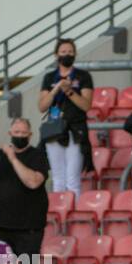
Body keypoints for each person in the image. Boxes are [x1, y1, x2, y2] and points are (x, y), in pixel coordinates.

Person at [0, 117, 50, 258]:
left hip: (29, 229)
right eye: (17, 132)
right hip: (0, 227)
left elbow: (33, 182)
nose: (20, 136)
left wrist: (13, 158)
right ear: (10, 133)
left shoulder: (38, 155)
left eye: (24, 133)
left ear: (30, 135)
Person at [37, 38, 94, 199]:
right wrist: (56, 90)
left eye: (70, 52)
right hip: (54, 128)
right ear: (56, 55)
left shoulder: (83, 76)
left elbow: (86, 105)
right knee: (57, 179)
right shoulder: (49, 77)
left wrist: (69, 91)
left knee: (72, 179)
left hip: (75, 129)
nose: (66, 55)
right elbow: (42, 106)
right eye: (63, 52)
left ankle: (72, 215)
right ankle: (59, 214)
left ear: (75, 54)